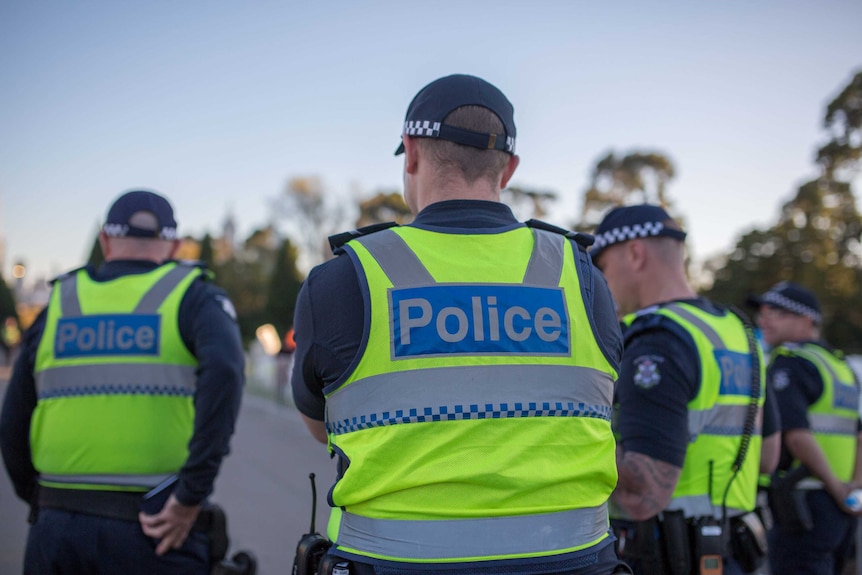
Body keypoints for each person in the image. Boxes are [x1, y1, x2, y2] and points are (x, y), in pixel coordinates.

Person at [291, 74, 629, 574]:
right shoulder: (580, 276)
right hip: (571, 563)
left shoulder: (344, 278)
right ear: (509, 168)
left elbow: (323, 429)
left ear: (410, 153)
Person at [0, 190, 245, 574]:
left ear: (105, 240)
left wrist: (40, 498)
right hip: (158, 525)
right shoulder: (193, 297)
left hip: (57, 525)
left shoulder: (60, 304)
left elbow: (12, 418)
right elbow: (227, 374)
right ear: (175, 244)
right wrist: (190, 495)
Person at [590, 204, 780, 575]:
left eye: (604, 268)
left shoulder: (655, 338)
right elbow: (769, 457)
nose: (602, 282)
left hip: (665, 556)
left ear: (634, 253)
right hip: (734, 551)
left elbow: (645, 496)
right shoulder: (737, 331)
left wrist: (567, 439)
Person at [751, 281, 862, 575]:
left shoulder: (791, 363)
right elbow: (858, 434)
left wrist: (837, 488)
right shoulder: (839, 366)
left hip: (804, 505)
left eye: (776, 311)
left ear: (806, 319)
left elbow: (797, 437)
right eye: (762, 311)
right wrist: (853, 489)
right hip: (842, 507)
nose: (764, 319)